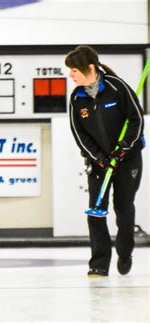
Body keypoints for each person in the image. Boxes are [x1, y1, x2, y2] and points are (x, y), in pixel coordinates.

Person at [65, 45, 145, 277]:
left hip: (127, 159)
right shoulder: (77, 98)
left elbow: (135, 120)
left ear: (90, 68)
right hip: (99, 162)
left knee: (123, 207)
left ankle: (125, 252)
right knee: (96, 211)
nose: (71, 75)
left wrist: (123, 149)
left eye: (74, 71)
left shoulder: (116, 88)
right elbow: (80, 134)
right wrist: (99, 158)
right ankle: (99, 263)